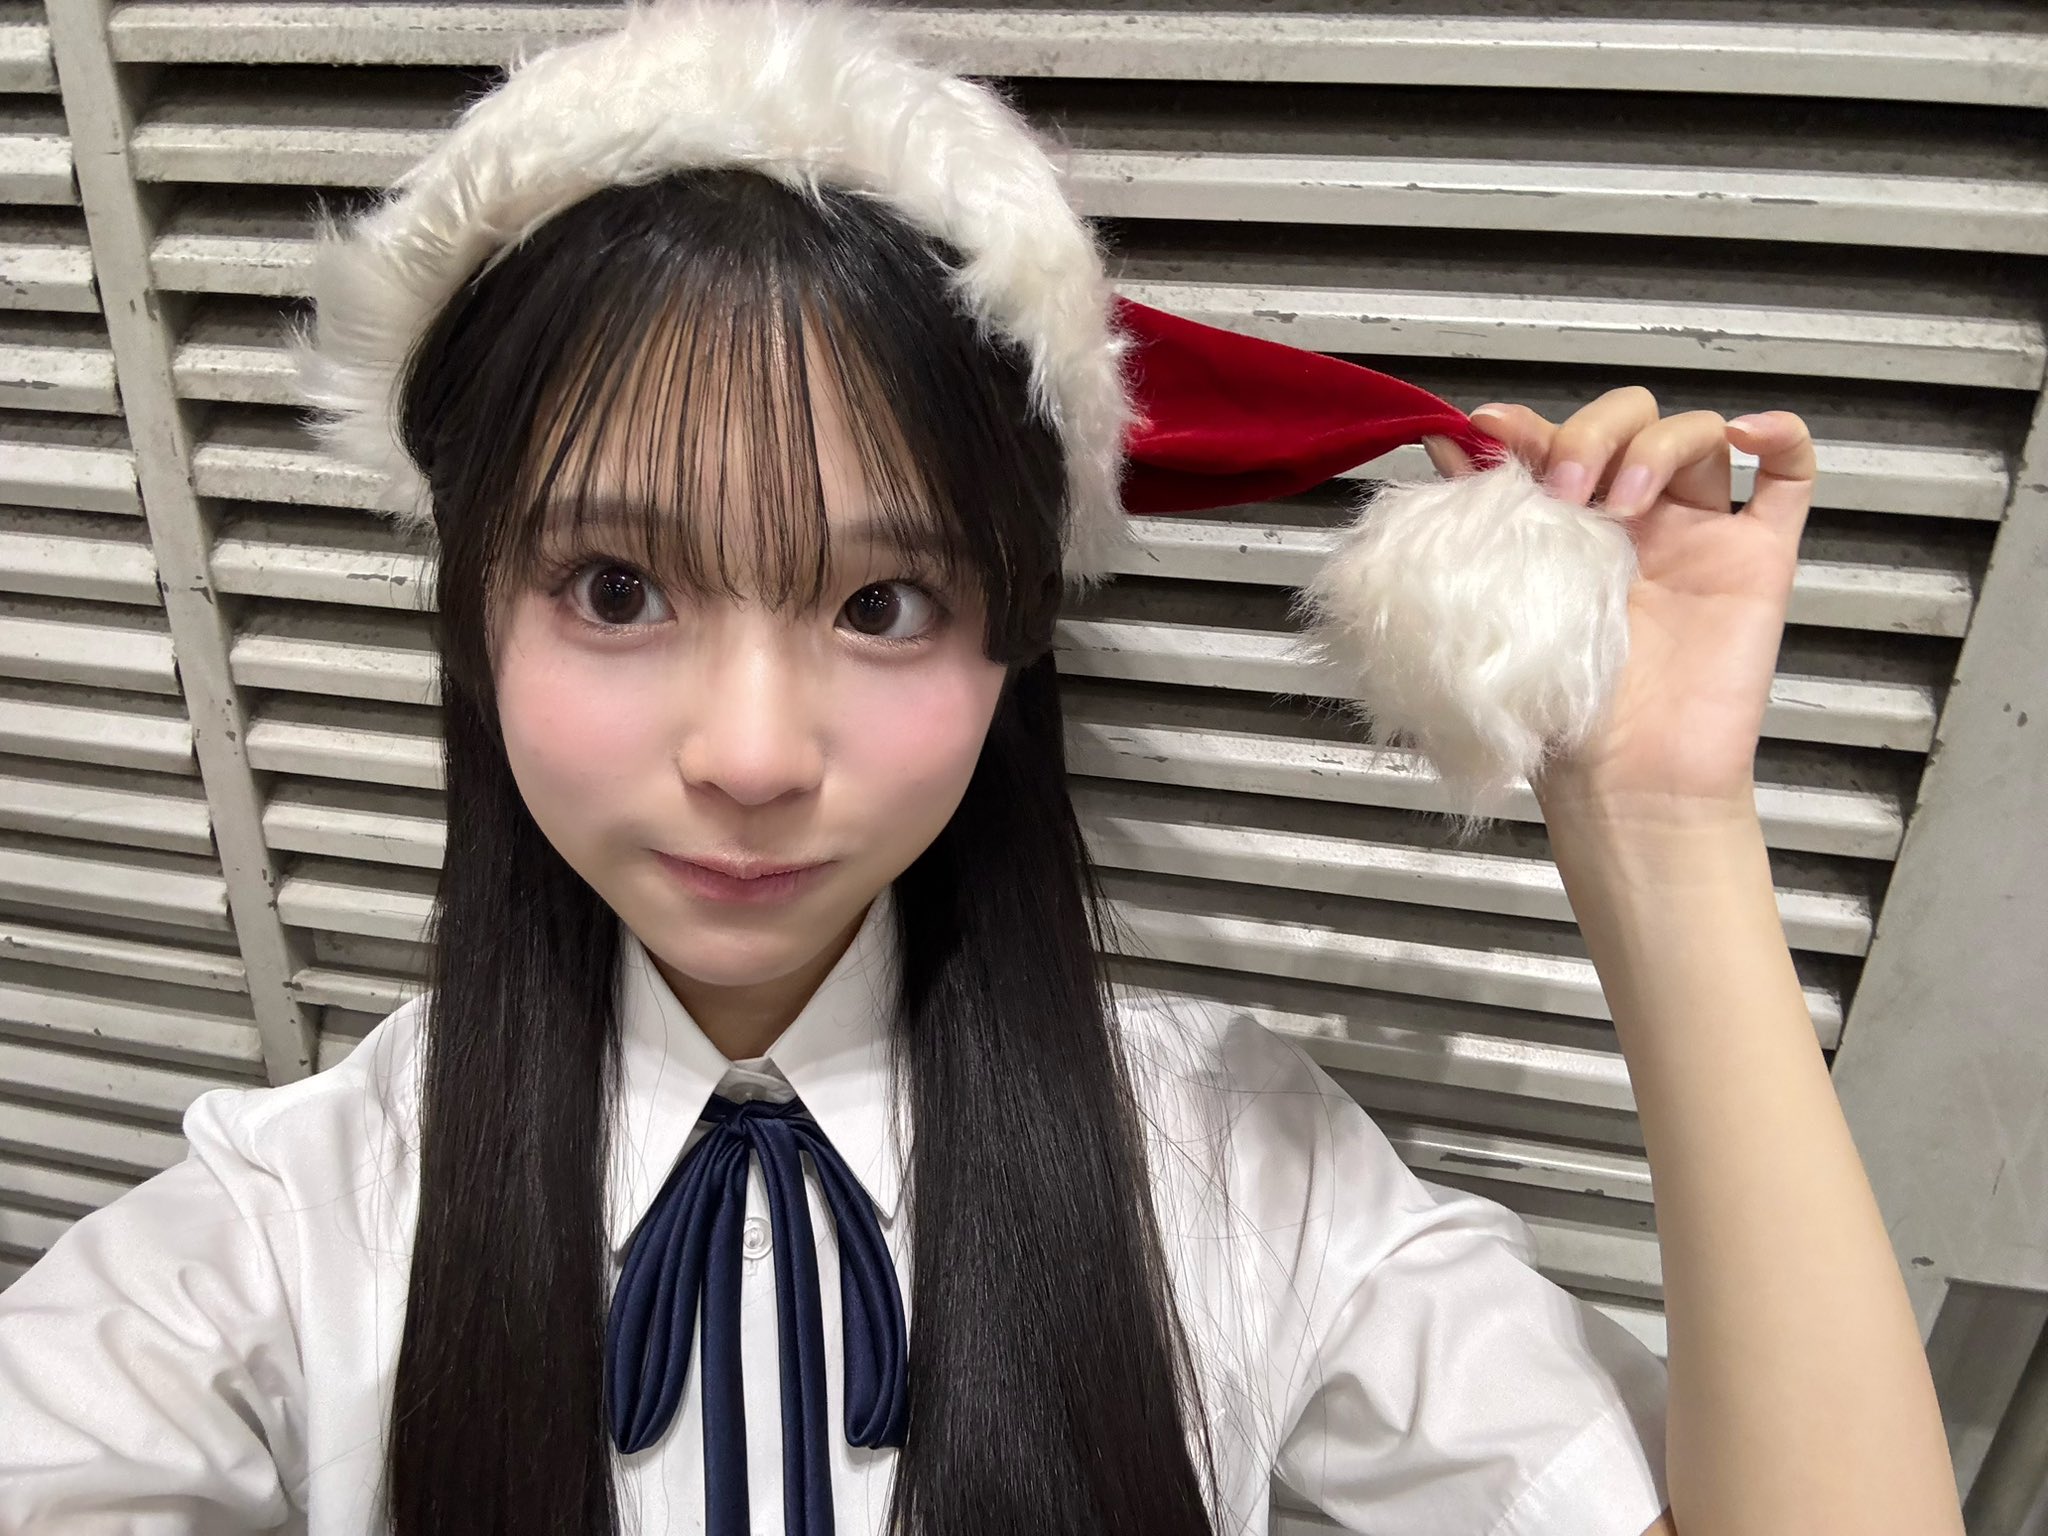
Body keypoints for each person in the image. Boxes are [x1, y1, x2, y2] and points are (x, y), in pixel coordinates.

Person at [0, 3, 1964, 1535]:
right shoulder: (299, 1216)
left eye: (882, 603)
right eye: (616, 588)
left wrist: (1660, 813)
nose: (751, 755)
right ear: (475, 615)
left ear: (1012, 635)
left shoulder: (1227, 1168)